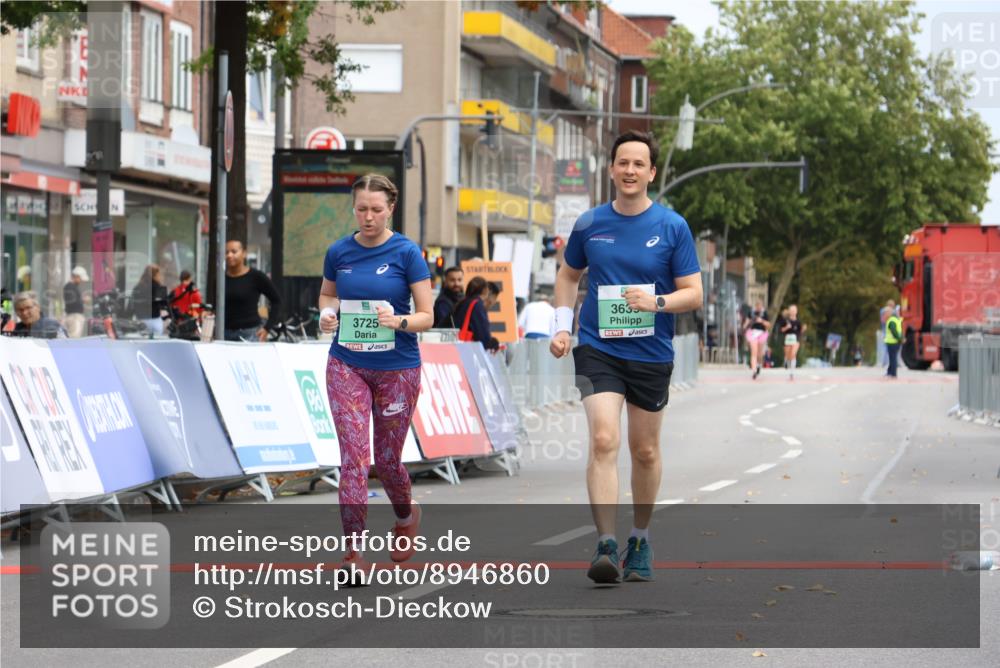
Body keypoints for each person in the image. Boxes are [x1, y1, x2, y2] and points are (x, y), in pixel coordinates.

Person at [549, 130, 703, 584]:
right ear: (612, 169)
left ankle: (639, 538)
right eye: (623, 162)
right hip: (599, 348)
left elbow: (693, 293)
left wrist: (655, 303)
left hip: (651, 352)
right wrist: (561, 326)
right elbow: (567, 276)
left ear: (652, 172)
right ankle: (605, 544)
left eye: (639, 164)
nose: (630, 170)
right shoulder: (589, 224)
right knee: (602, 440)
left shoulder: (672, 227)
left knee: (646, 450)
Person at [317, 174, 434, 575]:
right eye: (361, 209)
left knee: (386, 461)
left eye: (376, 210)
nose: (368, 217)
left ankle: (405, 514)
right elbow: (328, 294)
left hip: (397, 369)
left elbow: (427, 316)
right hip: (346, 363)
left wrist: (398, 320)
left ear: (391, 209)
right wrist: (326, 314)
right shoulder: (339, 251)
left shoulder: (407, 253)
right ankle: (353, 553)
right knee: (354, 458)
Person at [223, 239, 281, 342]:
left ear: (244, 253)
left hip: (250, 334)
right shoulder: (220, 279)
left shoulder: (256, 276)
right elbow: (215, 306)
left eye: (234, 251)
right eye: (226, 252)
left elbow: (276, 300)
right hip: (224, 334)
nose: (229, 255)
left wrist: (267, 328)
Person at [452, 276, 500, 353]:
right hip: (468, 352)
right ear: (485, 291)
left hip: (456, 349)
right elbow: (484, 339)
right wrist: (493, 342)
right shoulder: (477, 305)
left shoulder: (462, 302)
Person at [131, 264, 168, 336]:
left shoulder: (137, 287)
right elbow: (164, 305)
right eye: (159, 274)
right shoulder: (159, 287)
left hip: (141, 320)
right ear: (156, 275)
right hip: (155, 320)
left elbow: (133, 303)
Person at [742, 299, 770, 379]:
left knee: (759, 354)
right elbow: (747, 321)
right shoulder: (751, 313)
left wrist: (762, 321)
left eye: (760, 306)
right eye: (757, 306)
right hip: (753, 333)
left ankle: (759, 365)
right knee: (753, 352)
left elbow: (768, 325)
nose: (758, 307)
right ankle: (754, 371)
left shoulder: (765, 313)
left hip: (762, 333)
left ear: (762, 306)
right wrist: (744, 326)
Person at [780, 304, 806, 381]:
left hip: (795, 340)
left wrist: (803, 329)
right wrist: (786, 327)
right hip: (787, 339)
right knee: (788, 355)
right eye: (791, 310)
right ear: (789, 311)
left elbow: (800, 331)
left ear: (796, 312)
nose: (793, 312)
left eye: (794, 310)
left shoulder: (798, 322)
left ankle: (792, 373)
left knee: (793, 354)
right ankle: (786, 360)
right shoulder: (785, 320)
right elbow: (781, 330)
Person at [63, 266, 89, 338]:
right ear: (76, 276)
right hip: (74, 317)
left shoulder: (71, 287)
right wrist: (82, 300)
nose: (81, 281)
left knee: (74, 338)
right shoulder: (70, 286)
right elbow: (71, 301)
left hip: (74, 316)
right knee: (74, 338)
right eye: (80, 278)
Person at [884, 306, 903, 379]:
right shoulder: (894, 319)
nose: (884, 315)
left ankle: (893, 374)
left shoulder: (891, 321)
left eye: (885, 313)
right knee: (892, 358)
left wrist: (899, 339)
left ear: (889, 313)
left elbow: (894, 331)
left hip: (893, 342)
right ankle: (890, 372)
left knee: (893, 358)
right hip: (894, 342)